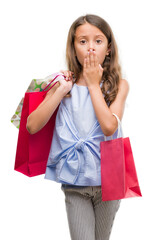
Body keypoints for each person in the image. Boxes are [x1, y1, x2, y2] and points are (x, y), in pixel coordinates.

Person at [26, 14, 129, 240]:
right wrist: (61, 91)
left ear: (109, 48)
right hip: (75, 183)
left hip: (109, 183)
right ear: (73, 48)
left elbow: (109, 127)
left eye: (98, 41)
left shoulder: (118, 85)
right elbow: (31, 126)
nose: (90, 48)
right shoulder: (64, 84)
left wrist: (93, 85)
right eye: (82, 41)